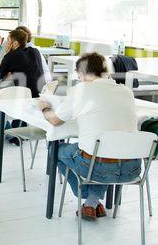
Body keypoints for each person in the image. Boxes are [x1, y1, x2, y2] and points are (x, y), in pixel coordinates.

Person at [39, 52, 141, 221]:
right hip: (132, 168)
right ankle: (92, 202)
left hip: (99, 168)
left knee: (54, 149)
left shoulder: (80, 90)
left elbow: (55, 121)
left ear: (80, 73)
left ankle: (89, 199)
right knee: (108, 149)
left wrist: (44, 108)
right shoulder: (126, 91)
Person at [0, 29, 45, 97]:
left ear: (15, 43)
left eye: (8, 41)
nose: (6, 43)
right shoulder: (35, 51)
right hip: (42, 94)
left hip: (25, 96)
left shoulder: (11, 55)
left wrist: (5, 54)